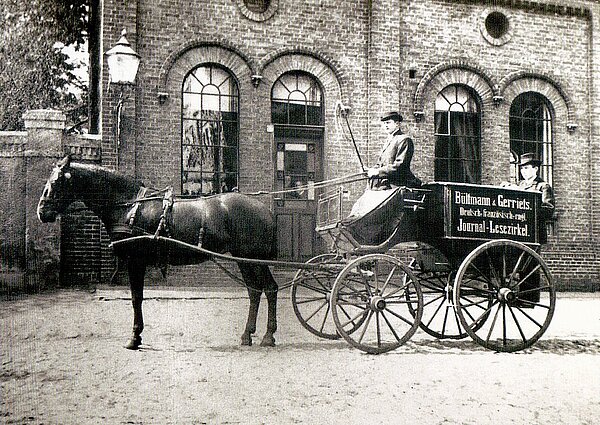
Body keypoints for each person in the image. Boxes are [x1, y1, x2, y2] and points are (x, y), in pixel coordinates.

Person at [367, 111, 421, 189]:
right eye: (384, 123)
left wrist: (378, 172)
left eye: (388, 123)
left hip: (399, 184)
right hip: (386, 182)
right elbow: (381, 164)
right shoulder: (389, 141)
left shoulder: (404, 139)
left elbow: (400, 166)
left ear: (397, 124)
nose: (386, 126)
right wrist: (371, 170)